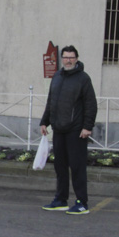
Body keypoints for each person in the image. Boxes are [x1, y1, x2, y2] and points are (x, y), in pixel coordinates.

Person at [39, 45, 97, 215]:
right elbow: (51, 101)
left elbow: (90, 104)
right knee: (60, 166)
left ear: (77, 59)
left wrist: (87, 126)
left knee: (77, 167)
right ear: (62, 59)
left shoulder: (83, 79)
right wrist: (45, 121)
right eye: (65, 57)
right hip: (59, 129)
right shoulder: (57, 76)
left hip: (76, 131)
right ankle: (61, 200)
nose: (68, 60)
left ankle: (81, 202)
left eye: (72, 57)